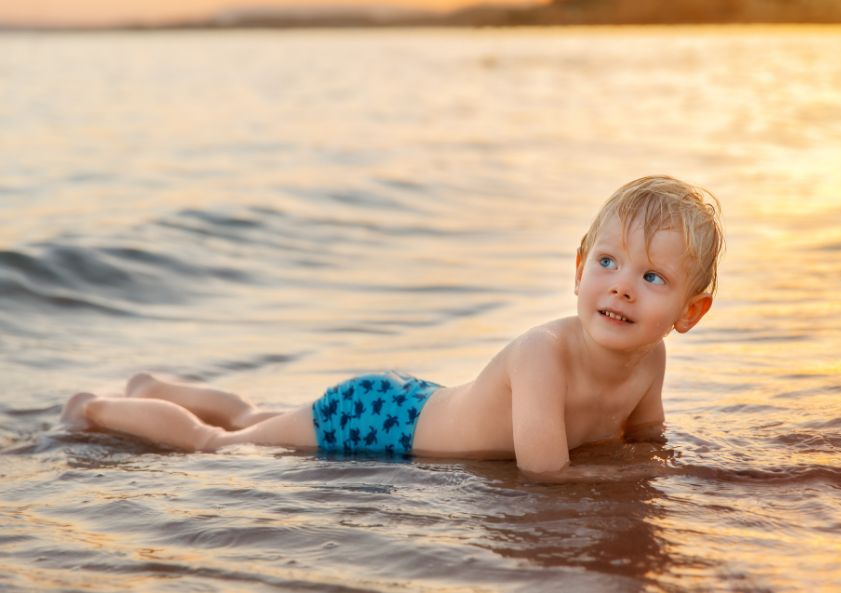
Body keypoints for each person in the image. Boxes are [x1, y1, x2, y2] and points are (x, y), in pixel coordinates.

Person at [61, 175, 723, 478]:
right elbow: (545, 471)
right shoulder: (543, 353)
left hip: (417, 399)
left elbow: (648, 439)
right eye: (607, 261)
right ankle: (95, 408)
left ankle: (155, 382)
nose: (620, 285)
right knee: (220, 444)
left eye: (652, 278)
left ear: (688, 314)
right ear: (579, 267)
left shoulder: (649, 363)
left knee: (257, 412)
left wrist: (689, 471)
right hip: (381, 423)